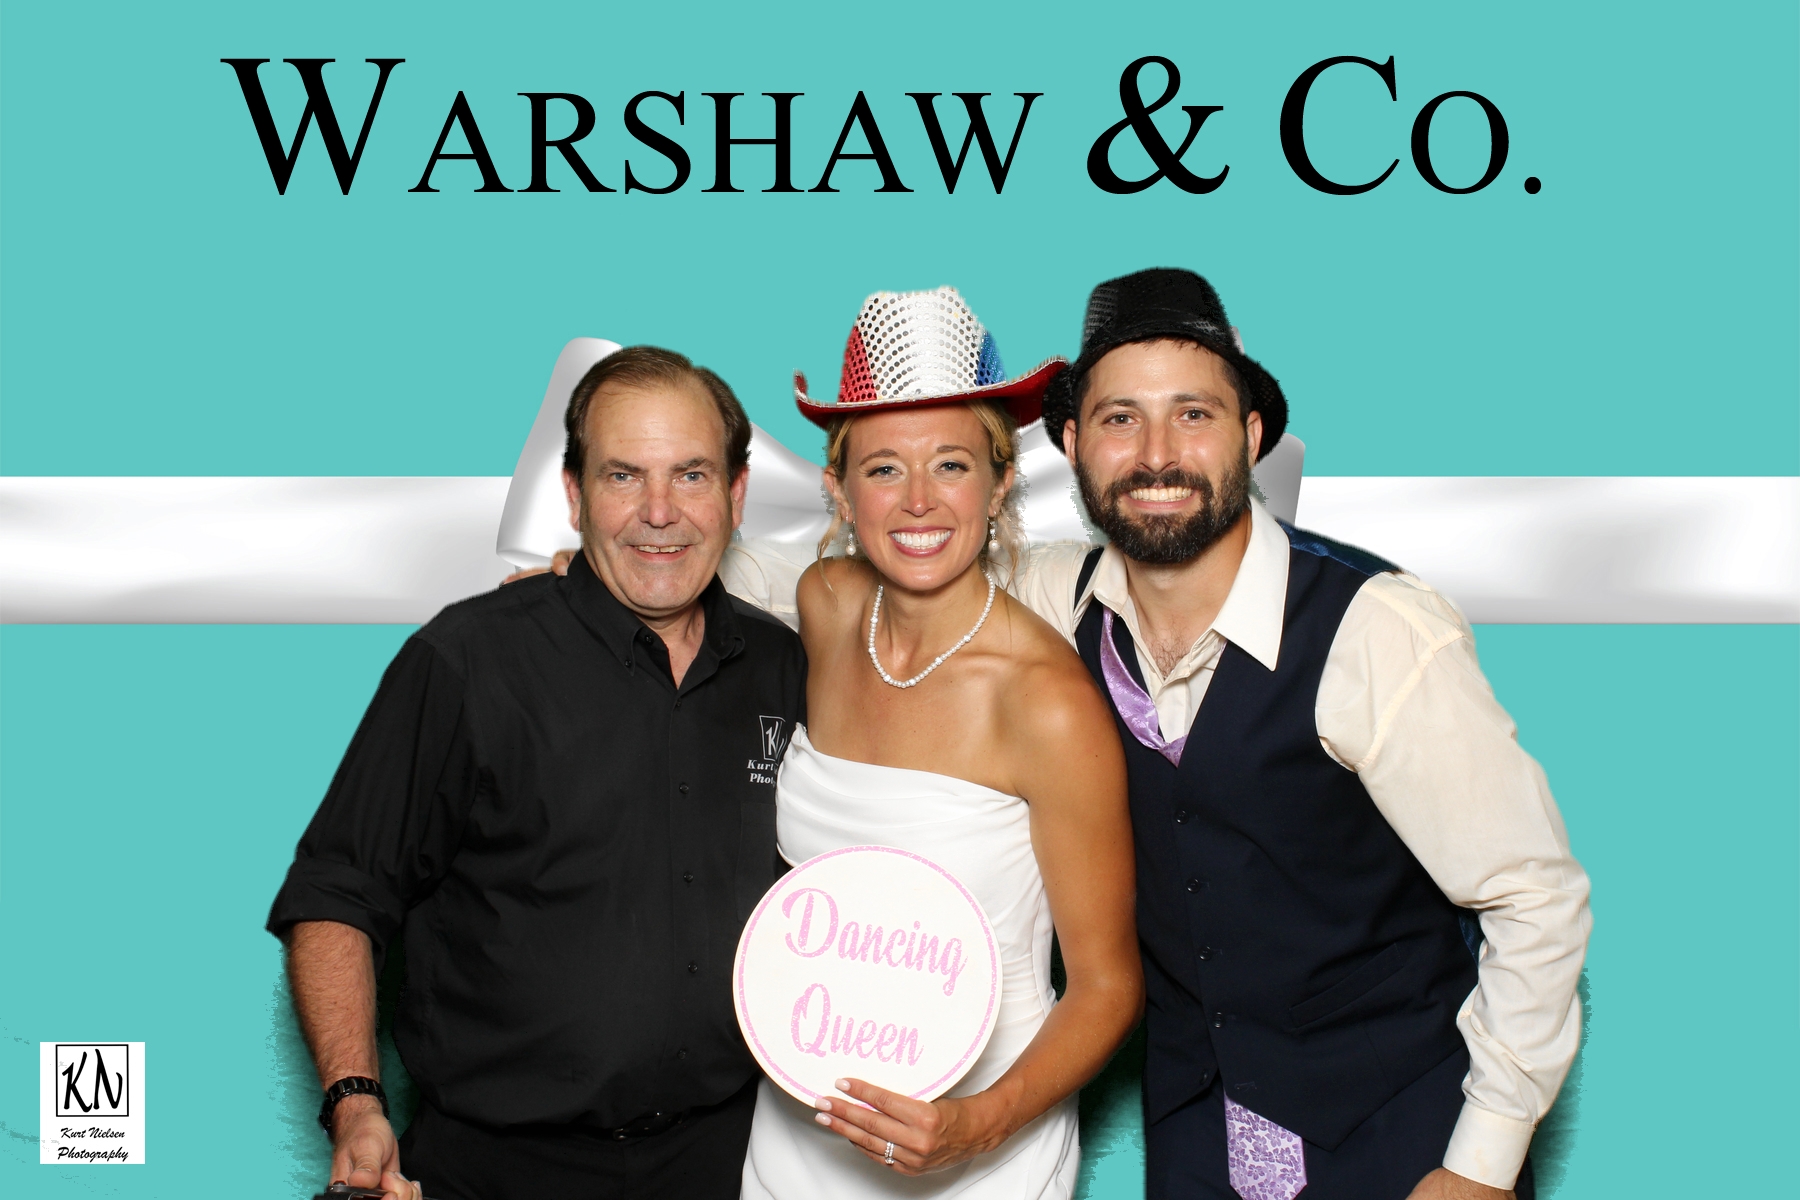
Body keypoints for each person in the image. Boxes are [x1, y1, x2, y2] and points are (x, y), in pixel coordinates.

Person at [1007, 269, 1591, 1200]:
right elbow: (892, 568)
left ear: (1249, 436)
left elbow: (1535, 898)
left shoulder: (1374, 627)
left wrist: (1480, 1166)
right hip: (1199, 1147)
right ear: (1073, 444)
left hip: (1404, 1147)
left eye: (1193, 415)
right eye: (1120, 420)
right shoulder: (1050, 605)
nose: (1157, 455)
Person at [266, 347, 806, 1200]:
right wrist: (355, 1101)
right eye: (624, 475)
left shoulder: (782, 664)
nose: (659, 513)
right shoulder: (466, 660)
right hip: (498, 1171)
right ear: (573, 492)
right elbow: (337, 891)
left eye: (692, 475)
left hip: (730, 1166)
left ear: (736, 495)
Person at [740, 287, 1144, 1198]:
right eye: (884, 469)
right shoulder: (827, 607)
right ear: (838, 488)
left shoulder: (1046, 704)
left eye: (952, 465)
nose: (919, 501)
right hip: (798, 1129)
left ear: (1001, 482)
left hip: (978, 1146)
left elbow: (1108, 987)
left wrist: (975, 1127)